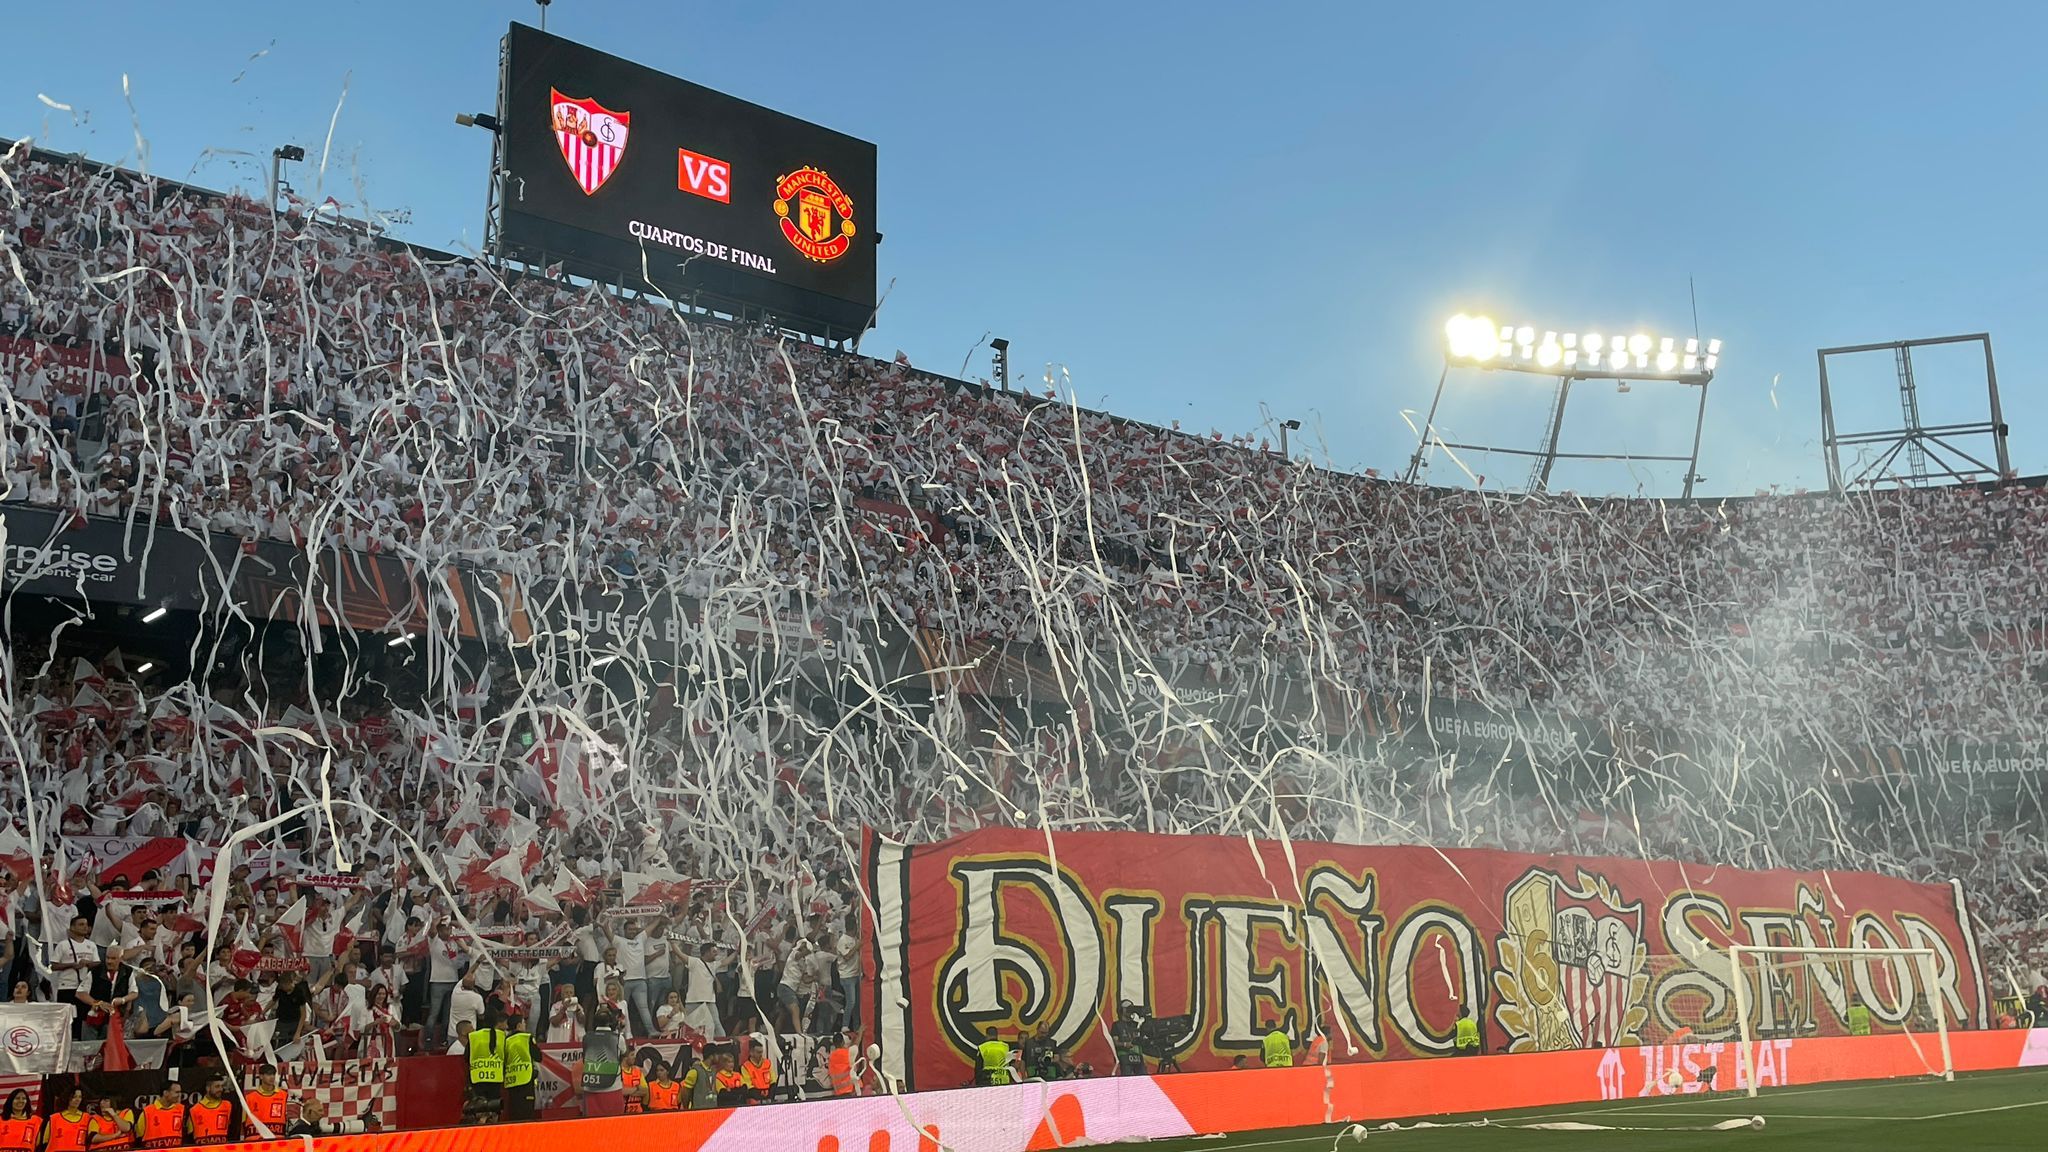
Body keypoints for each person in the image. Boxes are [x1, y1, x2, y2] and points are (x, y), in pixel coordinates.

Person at [576, 1009, 625, 1117]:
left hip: (591, 1088)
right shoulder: (618, 1038)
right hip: (613, 1087)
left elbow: (584, 1058)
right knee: (615, 1125)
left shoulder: (586, 1037)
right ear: (611, 1022)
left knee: (593, 1126)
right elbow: (623, 1054)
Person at [465, 1007, 507, 1124]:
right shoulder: (502, 1036)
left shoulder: (474, 1036)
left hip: (477, 1078)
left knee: (479, 1112)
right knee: (494, 1111)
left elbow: (466, 1057)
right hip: (495, 1078)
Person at [502, 1007, 537, 1123]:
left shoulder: (505, 1040)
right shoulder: (527, 1038)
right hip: (525, 1080)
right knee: (526, 1115)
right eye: (523, 1023)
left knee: (514, 1114)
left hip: (511, 1081)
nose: (525, 1025)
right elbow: (538, 1056)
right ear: (518, 1026)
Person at [242, 1066, 290, 1137]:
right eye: (268, 1074)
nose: (272, 1077)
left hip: (277, 1142)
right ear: (261, 1076)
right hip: (255, 1143)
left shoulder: (284, 1096)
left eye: (273, 1074)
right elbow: (243, 1122)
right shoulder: (249, 1098)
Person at [134, 1083, 184, 1149]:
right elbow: (138, 1136)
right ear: (165, 1093)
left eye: (180, 1092)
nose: (179, 1095)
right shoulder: (147, 1112)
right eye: (177, 1092)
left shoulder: (181, 1109)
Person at [41, 1088, 92, 1152]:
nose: (77, 1100)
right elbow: (45, 1141)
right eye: (74, 1097)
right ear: (67, 1098)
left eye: (80, 1097)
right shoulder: (54, 1118)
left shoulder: (87, 1118)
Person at [186, 1076, 233, 1145]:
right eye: (217, 1086)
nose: (221, 1089)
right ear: (208, 1088)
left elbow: (233, 1132)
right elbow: (189, 1138)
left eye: (222, 1086)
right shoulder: (195, 1110)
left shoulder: (228, 1106)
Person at [827, 1031, 857, 1097]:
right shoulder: (846, 1053)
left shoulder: (831, 1057)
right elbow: (855, 1046)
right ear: (843, 1042)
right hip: (849, 1090)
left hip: (838, 1092)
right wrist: (860, 1032)